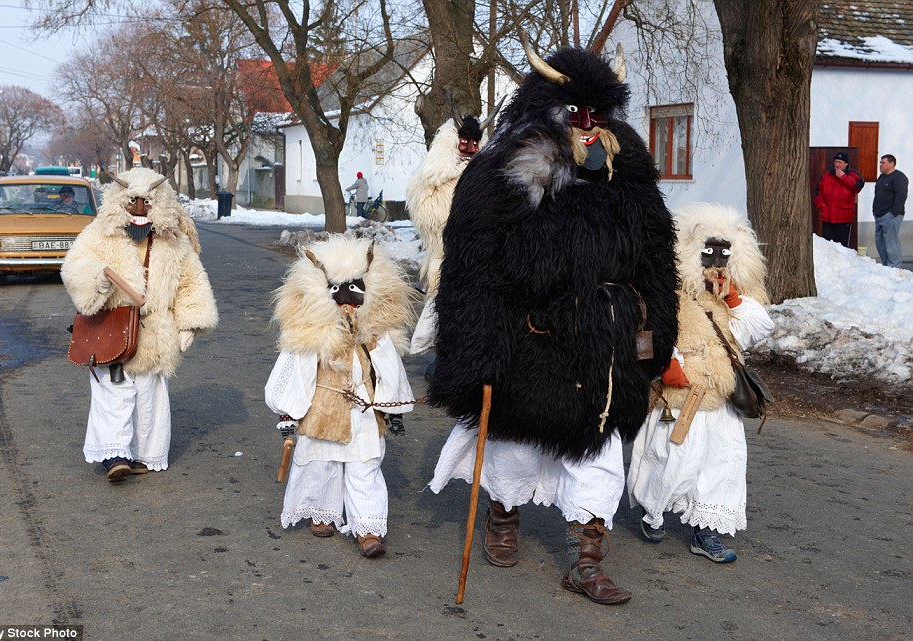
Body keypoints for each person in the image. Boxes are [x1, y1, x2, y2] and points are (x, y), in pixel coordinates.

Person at [427, 37, 678, 605]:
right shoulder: (501, 171)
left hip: (605, 342)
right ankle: (504, 512)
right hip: (529, 338)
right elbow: (470, 272)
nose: (588, 128)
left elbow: (659, 255)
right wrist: (474, 356)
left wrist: (656, 335)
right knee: (515, 446)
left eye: (598, 115)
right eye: (575, 115)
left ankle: (587, 557)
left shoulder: (629, 170)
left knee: (599, 452)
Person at [627, 202, 775, 565]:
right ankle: (653, 510)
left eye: (725, 253)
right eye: (709, 252)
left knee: (721, 462)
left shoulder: (739, 295)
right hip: (680, 394)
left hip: (721, 396)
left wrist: (734, 299)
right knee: (672, 458)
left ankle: (706, 531)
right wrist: (667, 362)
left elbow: (758, 329)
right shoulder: (670, 290)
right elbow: (650, 327)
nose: (716, 261)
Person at [61, 167, 219, 483]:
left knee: (149, 396)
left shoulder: (174, 242)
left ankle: (145, 454)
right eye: (131, 201)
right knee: (114, 392)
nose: (138, 209)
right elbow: (75, 266)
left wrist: (189, 322)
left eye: (146, 202)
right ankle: (115, 454)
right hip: (110, 330)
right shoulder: (98, 234)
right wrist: (98, 282)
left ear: (159, 203)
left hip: (154, 332)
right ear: (119, 200)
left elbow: (191, 279)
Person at [264, 237, 415, 558]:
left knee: (365, 466)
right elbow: (294, 369)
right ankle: (322, 511)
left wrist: (393, 406)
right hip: (321, 410)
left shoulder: (376, 334)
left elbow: (390, 368)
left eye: (355, 291)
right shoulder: (309, 334)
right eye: (337, 293)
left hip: (363, 412)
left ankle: (368, 529)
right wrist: (288, 411)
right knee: (321, 463)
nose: (346, 301)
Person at [406, 98, 502, 355]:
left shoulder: (484, 177)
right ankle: (441, 355)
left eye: (474, 143)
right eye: (464, 143)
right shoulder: (432, 177)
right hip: (446, 255)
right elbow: (426, 211)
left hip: (480, 258)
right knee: (442, 305)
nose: (469, 149)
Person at [814, 151, 864, 247]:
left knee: (842, 247)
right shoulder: (827, 175)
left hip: (843, 218)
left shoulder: (853, 174)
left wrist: (843, 177)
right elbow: (817, 190)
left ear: (846, 164)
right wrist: (821, 205)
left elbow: (858, 187)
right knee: (827, 246)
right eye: (836, 162)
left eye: (840, 162)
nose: (837, 164)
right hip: (827, 217)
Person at [872, 154, 908, 267]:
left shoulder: (899, 177)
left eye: (883, 163)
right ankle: (886, 266)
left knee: (891, 243)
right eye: (880, 162)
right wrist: (874, 211)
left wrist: (892, 214)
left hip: (891, 216)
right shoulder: (881, 177)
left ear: (891, 163)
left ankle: (894, 267)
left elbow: (901, 196)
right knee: (880, 242)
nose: (880, 165)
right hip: (879, 215)